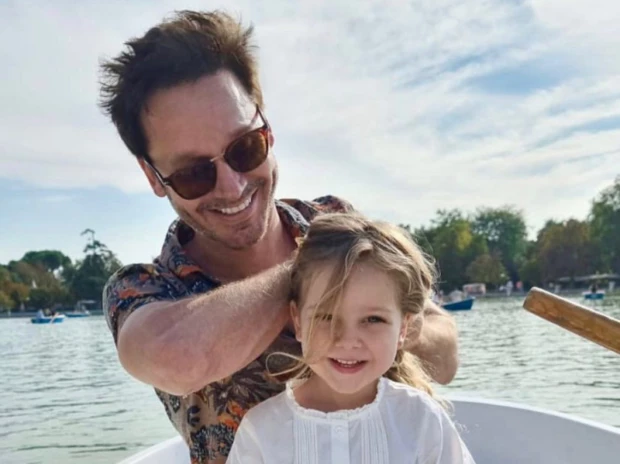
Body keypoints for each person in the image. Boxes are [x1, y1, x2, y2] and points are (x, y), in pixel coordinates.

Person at [99, 10, 459, 463]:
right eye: (193, 173)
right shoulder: (142, 290)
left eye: (244, 148)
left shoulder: (334, 218)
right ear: (153, 177)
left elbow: (444, 357)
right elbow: (180, 360)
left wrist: (387, 322)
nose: (232, 187)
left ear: (266, 125)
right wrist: (322, 272)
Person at [227, 213, 474, 463]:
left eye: (373, 319)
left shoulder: (422, 420)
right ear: (298, 321)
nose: (347, 340)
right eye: (326, 317)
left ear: (403, 328)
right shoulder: (261, 430)